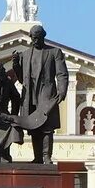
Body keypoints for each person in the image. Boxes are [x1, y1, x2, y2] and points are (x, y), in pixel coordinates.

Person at [11, 24, 69, 164]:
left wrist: (62, 91)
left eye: (38, 38)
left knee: (47, 128)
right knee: (34, 127)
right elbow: (21, 78)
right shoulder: (25, 55)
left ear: (43, 37)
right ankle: (37, 157)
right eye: (33, 38)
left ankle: (46, 157)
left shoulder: (54, 52)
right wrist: (16, 65)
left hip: (46, 94)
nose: (35, 41)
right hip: (30, 95)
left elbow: (62, 73)